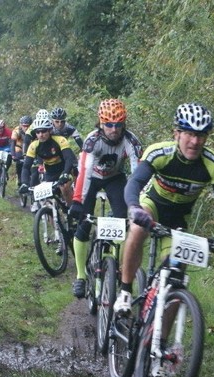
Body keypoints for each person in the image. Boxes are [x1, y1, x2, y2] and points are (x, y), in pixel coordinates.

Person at [113, 103, 214, 315]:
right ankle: (125, 292)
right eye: (190, 134)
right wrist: (134, 208)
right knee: (137, 228)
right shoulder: (159, 153)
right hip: (152, 205)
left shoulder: (213, 165)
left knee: (176, 280)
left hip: (178, 221)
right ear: (177, 133)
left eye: (201, 135)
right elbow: (134, 183)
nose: (195, 141)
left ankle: (161, 344)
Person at [68, 99, 143, 299]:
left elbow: (137, 174)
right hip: (91, 179)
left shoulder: (130, 141)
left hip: (114, 178)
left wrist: (138, 204)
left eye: (118, 124)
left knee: (122, 220)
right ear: (101, 123)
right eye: (109, 124)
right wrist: (77, 201)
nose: (114, 129)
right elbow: (84, 171)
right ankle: (81, 276)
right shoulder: (92, 141)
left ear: (123, 124)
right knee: (84, 224)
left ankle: (114, 264)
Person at [21, 115, 77, 212]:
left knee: (64, 188)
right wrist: (25, 183)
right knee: (49, 202)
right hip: (50, 173)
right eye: (38, 132)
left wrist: (65, 173)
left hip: (65, 169)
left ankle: (73, 213)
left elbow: (69, 158)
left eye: (43, 131)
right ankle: (56, 225)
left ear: (50, 130)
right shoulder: (34, 146)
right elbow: (26, 167)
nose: (41, 134)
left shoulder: (60, 140)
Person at [11, 115, 32, 190]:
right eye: (24, 126)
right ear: (20, 125)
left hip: (30, 148)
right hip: (19, 148)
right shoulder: (17, 130)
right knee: (19, 161)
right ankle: (19, 177)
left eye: (27, 126)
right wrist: (13, 155)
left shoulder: (33, 130)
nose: (25, 128)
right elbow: (12, 143)